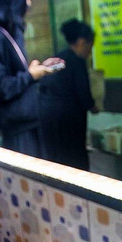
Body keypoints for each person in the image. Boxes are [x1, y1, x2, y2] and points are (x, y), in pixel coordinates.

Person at [0, 0, 63, 157]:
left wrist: (34, 70)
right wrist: (30, 76)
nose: (28, 2)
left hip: (28, 123)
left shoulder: (10, 31)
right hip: (17, 131)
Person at [38, 18, 99, 170]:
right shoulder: (77, 62)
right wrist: (94, 106)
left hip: (49, 123)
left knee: (57, 166)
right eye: (90, 48)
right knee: (76, 166)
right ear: (82, 42)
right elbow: (84, 96)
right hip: (70, 124)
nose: (89, 53)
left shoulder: (57, 58)